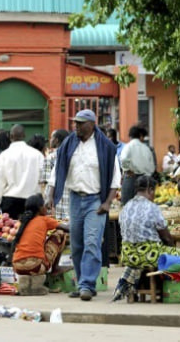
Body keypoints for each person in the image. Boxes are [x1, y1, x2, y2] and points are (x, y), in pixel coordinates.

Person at [47, 109, 121, 301]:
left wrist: (107, 203)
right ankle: (82, 283)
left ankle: (87, 284)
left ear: (91, 124)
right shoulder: (69, 144)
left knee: (92, 242)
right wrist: (49, 195)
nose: (76, 127)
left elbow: (115, 179)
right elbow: (57, 171)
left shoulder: (105, 147)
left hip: (95, 200)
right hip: (74, 198)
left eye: (80, 124)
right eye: (75, 123)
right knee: (77, 245)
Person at [112, 176, 180, 301]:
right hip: (148, 255)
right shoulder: (152, 208)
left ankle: (144, 284)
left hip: (128, 255)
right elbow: (167, 238)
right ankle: (171, 288)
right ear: (150, 190)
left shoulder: (125, 207)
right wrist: (172, 253)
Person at [0, 124, 44, 220]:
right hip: (32, 200)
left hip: (10, 200)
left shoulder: (5, 155)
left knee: (11, 231)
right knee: (30, 230)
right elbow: (43, 180)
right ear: (24, 136)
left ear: (10, 136)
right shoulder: (37, 155)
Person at [12, 194, 70, 277]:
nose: (46, 208)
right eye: (44, 205)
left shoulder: (23, 222)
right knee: (60, 234)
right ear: (40, 208)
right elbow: (67, 228)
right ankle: (55, 269)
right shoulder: (44, 219)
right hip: (36, 267)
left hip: (17, 267)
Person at [120, 125, 155, 205]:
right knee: (143, 206)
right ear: (141, 136)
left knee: (128, 206)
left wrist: (127, 170)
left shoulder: (128, 146)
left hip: (131, 179)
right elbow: (152, 167)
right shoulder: (147, 148)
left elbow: (123, 159)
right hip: (145, 180)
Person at [43, 129, 70, 220]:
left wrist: (47, 198)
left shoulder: (50, 157)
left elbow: (46, 182)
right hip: (69, 200)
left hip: (54, 202)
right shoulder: (71, 156)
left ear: (56, 140)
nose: (50, 140)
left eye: (51, 138)